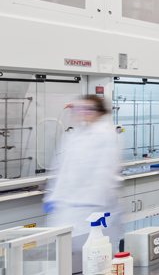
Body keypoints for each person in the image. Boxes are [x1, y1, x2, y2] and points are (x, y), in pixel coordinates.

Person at [43, 96, 122, 236]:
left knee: (94, 250)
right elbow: (63, 169)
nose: (82, 112)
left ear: (99, 112)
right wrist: (52, 196)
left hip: (93, 206)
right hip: (68, 206)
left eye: (88, 109)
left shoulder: (105, 136)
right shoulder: (73, 136)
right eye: (80, 108)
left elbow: (105, 174)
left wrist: (92, 202)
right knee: (65, 250)